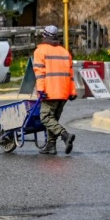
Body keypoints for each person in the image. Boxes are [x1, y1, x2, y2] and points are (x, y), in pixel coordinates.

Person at [33, 25, 77, 156]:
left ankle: (65, 135)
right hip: (63, 92)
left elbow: (40, 73)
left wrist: (40, 89)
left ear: (44, 36)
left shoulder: (40, 51)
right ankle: (51, 146)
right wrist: (72, 91)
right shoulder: (65, 52)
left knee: (45, 118)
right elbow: (70, 74)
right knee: (53, 120)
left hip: (49, 91)